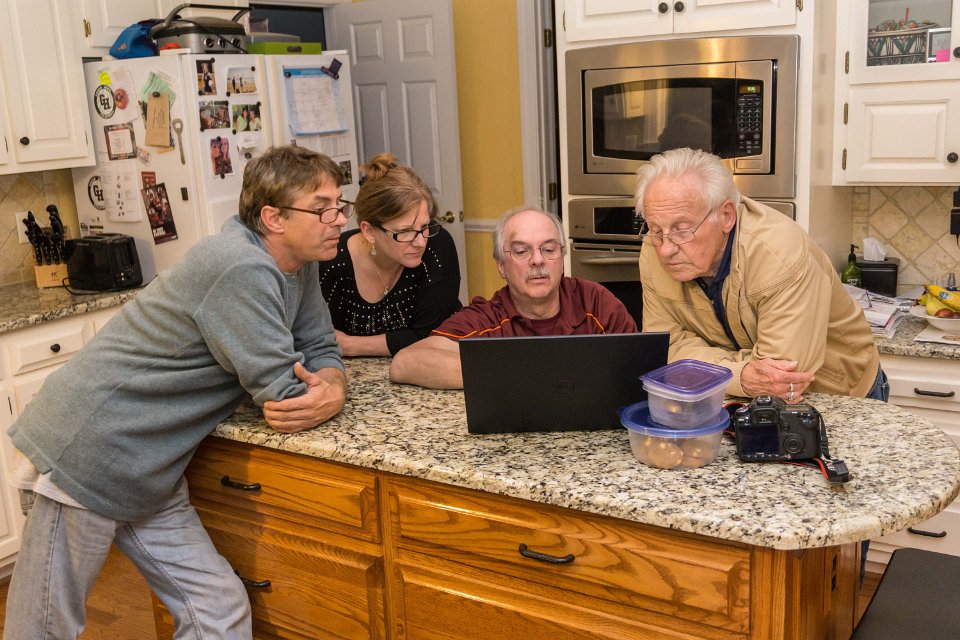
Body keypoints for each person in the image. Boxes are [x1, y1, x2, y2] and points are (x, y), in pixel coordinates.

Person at [3, 145, 351, 639]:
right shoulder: (239, 266)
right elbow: (283, 394)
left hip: (149, 465)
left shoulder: (299, 261)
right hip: (86, 451)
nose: (339, 219)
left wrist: (332, 385)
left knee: (217, 608)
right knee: (43, 628)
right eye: (323, 209)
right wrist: (328, 391)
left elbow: (318, 344)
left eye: (339, 205)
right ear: (273, 218)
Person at [635, 147, 886, 403]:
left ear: (726, 216)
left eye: (682, 229)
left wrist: (695, 365)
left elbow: (781, 377)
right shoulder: (652, 251)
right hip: (732, 398)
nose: (665, 249)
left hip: (837, 394)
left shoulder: (780, 252)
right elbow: (663, 349)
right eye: (656, 229)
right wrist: (741, 375)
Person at [389, 207, 638, 389]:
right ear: (501, 266)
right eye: (521, 251)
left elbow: (637, 365)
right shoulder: (485, 319)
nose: (538, 260)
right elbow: (405, 363)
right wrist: (517, 375)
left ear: (562, 258)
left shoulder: (594, 301)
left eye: (549, 249)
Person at [318, 152, 462, 356]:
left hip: (429, 361)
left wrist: (352, 345)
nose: (421, 242)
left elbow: (431, 334)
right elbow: (321, 336)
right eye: (405, 232)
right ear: (369, 231)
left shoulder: (437, 245)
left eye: (424, 226)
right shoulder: (333, 260)